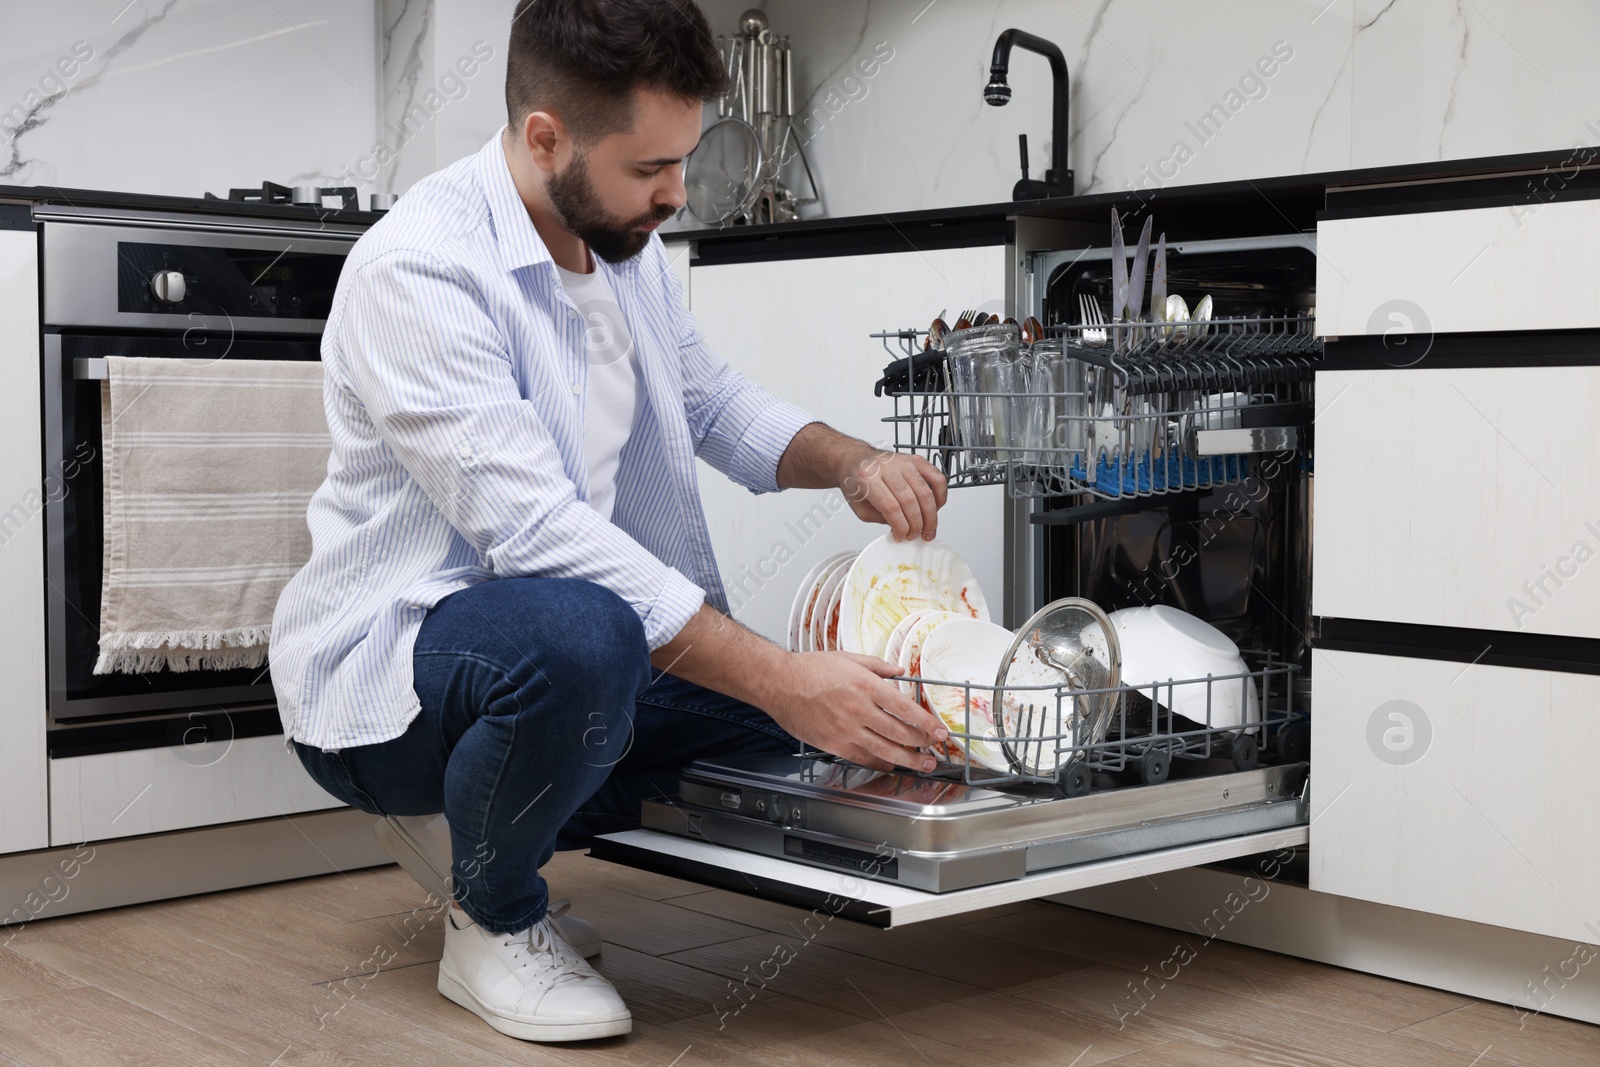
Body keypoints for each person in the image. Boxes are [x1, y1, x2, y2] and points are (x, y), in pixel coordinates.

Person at [270, 0, 950, 1045]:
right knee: (593, 636)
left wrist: (850, 461)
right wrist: (776, 671)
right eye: (651, 168)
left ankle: (490, 816)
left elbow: (711, 401)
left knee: (808, 720)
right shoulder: (420, 270)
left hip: (566, 650)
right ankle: (491, 914)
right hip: (395, 673)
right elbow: (537, 533)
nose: (676, 194)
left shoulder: (620, 243)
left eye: (684, 159)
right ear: (546, 136)